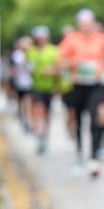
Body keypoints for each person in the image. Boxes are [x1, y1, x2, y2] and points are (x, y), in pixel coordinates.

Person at [58, 9, 104, 179]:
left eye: (89, 24)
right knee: (78, 119)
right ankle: (79, 150)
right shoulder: (70, 39)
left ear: (93, 24)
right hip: (77, 84)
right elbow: (60, 61)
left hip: (96, 84)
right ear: (78, 25)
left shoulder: (102, 39)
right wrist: (74, 62)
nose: (86, 27)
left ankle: (94, 155)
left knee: (98, 116)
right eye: (83, 24)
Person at [26, 26, 60, 154]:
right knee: (38, 111)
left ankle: (45, 135)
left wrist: (51, 72)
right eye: (38, 38)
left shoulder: (54, 50)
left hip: (50, 88)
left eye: (43, 37)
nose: (41, 40)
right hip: (36, 87)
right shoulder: (31, 51)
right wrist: (38, 72)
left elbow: (59, 69)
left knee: (47, 113)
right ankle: (39, 135)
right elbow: (29, 68)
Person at [10, 37, 34, 132]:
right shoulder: (16, 55)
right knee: (21, 101)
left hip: (30, 82)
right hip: (19, 82)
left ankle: (28, 121)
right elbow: (12, 68)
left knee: (28, 102)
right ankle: (22, 117)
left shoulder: (32, 54)